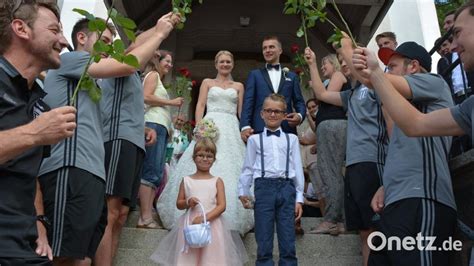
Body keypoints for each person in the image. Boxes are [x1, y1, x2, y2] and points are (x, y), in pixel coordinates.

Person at [350, 38, 457, 265]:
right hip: (395, 202)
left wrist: (350, 50)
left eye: (392, 67)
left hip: (422, 199)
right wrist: (385, 184)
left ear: (414, 67)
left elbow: (374, 80)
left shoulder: (433, 82)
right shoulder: (401, 107)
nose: (387, 71)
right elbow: (400, 149)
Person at [95, 13, 180, 266]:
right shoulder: (117, 63)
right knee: (110, 212)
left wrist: (143, 128)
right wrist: (159, 32)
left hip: (134, 141)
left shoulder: (132, 73)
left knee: (122, 213)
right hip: (117, 139)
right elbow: (133, 48)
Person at [0, 1, 74, 264]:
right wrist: (34, 133)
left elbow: (32, 174)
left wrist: (40, 222)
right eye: (55, 30)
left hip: (24, 242)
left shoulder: (41, 103)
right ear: (21, 28)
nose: (64, 41)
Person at [349, 2, 474, 150]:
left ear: (414, 66)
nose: (453, 47)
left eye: (457, 33)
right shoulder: (469, 107)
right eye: (388, 67)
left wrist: (347, 48)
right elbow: (416, 124)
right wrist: (375, 72)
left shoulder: (434, 82)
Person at [305, 46, 389, 265]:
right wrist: (312, 64)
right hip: (353, 163)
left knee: (375, 227)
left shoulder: (373, 85)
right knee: (363, 231)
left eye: (345, 60)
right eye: (341, 61)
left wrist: (343, 43)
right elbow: (322, 94)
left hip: (371, 161)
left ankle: (333, 219)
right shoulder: (350, 93)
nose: (343, 64)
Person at [157, 50, 253, 234]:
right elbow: (200, 105)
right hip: (211, 124)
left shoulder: (239, 86)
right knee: (201, 160)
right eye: (222, 62)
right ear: (216, 64)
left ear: (232, 64)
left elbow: (242, 112)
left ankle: (232, 214)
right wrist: (200, 127)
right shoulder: (208, 83)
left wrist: (244, 130)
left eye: (228, 62)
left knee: (232, 166)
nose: (225, 65)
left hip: (231, 126)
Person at [151, 138, 247, 265]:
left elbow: (222, 205)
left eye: (209, 156)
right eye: (201, 155)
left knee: (211, 258)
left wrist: (204, 218)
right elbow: (179, 203)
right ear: (194, 157)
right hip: (190, 224)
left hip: (212, 224)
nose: (205, 159)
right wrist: (187, 202)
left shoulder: (217, 181)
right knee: (189, 258)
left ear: (214, 159)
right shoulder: (186, 180)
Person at [239, 94, 304, 266]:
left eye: (277, 111)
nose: (273, 115)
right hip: (263, 189)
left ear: (284, 115)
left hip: (287, 188)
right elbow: (248, 168)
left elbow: (297, 169)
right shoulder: (254, 139)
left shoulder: (292, 139)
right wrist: (243, 191)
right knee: (264, 236)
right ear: (262, 114)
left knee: (288, 236)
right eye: (268, 111)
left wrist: (299, 198)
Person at [137, 50, 184, 229]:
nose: (170, 65)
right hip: (153, 125)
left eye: (171, 62)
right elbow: (146, 97)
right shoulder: (153, 75)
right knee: (151, 169)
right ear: (158, 60)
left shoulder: (159, 80)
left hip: (161, 126)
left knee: (157, 171)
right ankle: (145, 215)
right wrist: (171, 103)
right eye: (167, 61)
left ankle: (147, 213)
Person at [309, 53, 349, 235]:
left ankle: (332, 219)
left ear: (334, 64)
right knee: (330, 173)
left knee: (331, 173)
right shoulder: (331, 79)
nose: (323, 67)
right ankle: (340, 219)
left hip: (333, 126)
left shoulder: (338, 76)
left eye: (325, 64)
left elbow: (323, 96)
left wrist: (312, 67)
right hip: (327, 127)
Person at [240, 35, 306, 142]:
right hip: (259, 128)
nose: (267, 50)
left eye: (271, 47)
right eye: (264, 48)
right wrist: (245, 126)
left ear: (280, 50)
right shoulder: (255, 75)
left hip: (286, 129)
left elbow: (299, 102)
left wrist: (299, 116)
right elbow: (248, 102)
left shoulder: (292, 76)